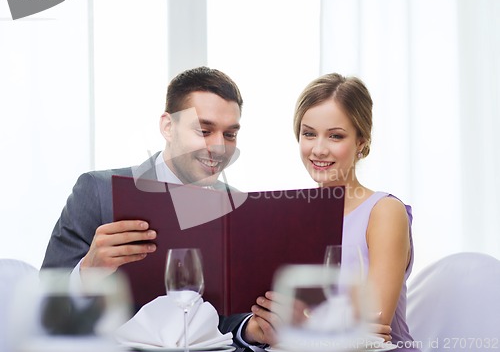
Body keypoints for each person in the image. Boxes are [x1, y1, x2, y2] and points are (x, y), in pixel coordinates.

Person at [41, 66, 269, 350]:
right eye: (204, 130)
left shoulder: (236, 205)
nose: (219, 147)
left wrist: (251, 329)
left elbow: (226, 316)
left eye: (230, 134)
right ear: (168, 126)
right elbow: (44, 310)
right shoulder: (98, 191)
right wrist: (88, 271)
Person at [245, 73, 420, 351]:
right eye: (309, 133)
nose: (318, 149)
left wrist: (299, 322)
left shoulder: (384, 211)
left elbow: (374, 328)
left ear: (361, 141)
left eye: (335, 136)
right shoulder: (292, 214)